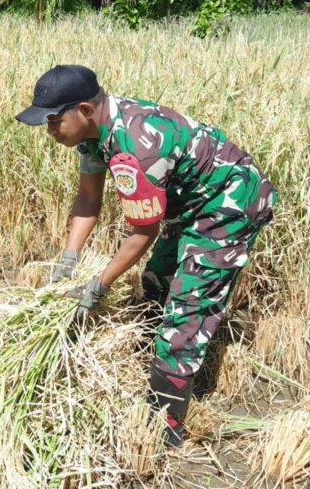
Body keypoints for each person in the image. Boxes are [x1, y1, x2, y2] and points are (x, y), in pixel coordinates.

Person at [16, 65, 277, 448]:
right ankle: (149, 363)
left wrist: (99, 285)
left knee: (186, 312)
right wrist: (68, 259)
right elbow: (89, 199)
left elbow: (143, 231)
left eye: (54, 120)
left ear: (85, 110)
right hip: (189, 204)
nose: (50, 130)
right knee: (156, 280)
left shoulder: (135, 146)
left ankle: (165, 426)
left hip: (229, 203)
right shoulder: (92, 135)